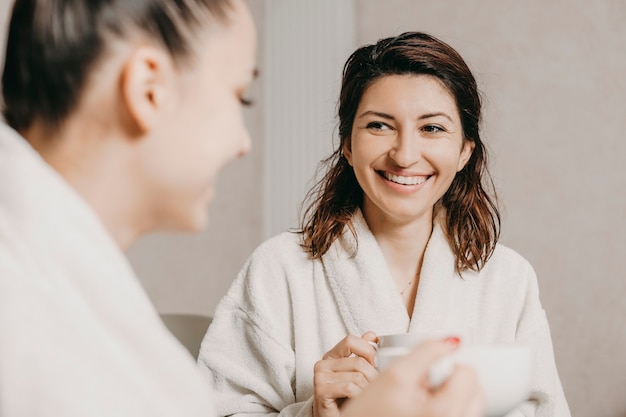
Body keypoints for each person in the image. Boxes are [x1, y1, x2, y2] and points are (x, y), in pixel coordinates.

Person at [0, 1, 483, 416]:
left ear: (466, 150)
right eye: (238, 94)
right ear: (149, 88)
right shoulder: (27, 313)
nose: (243, 142)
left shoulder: (61, 284)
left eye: (433, 129)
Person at [197, 31, 572, 417]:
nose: (405, 155)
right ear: (347, 144)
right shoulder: (278, 270)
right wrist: (313, 413)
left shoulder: (508, 279)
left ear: (464, 151)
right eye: (379, 125)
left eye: (432, 128)